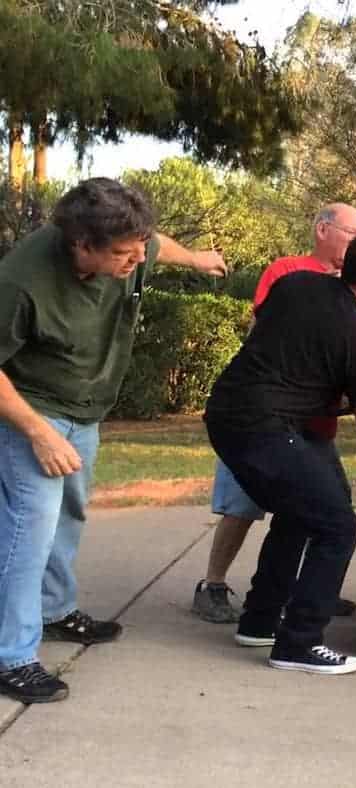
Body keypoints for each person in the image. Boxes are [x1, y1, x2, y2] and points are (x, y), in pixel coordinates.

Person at [0, 178, 227, 703]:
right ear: (81, 244)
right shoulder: (21, 282)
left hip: (86, 409)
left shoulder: (130, 246)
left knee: (68, 514)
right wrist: (36, 432)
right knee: (27, 530)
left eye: (138, 248)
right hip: (31, 411)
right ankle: (12, 656)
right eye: (124, 253)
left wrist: (195, 258)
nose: (135, 260)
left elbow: (156, 244)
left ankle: (55, 611)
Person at [203, 231, 356, 675]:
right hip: (264, 427)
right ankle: (299, 643)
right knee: (338, 525)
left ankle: (260, 621)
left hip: (226, 411)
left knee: (302, 513)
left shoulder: (295, 284)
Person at [190, 203, 356, 624]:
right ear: (323, 230)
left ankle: (311, 589)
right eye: (352, 233)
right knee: (241, 505)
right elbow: (265, 333)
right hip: (264, 418)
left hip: (314, 425)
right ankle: (213, 584)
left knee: (330, 505)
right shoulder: (287, 270)